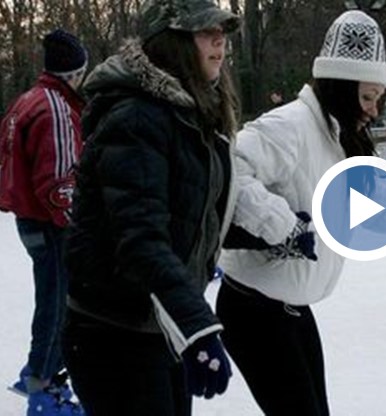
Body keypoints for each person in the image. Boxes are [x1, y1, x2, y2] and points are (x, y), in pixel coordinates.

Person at [217, 10, 386, 416]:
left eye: (378, 98)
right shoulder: (289, 126)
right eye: (367, 97)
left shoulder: (342, 140)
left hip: (291, 308)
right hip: (254, 309)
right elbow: (230, 171)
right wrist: (283, 226)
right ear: (339, 87)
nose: (375, 110)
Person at [60, 1, 246, 414]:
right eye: (205, 32)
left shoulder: (193, 115)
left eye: (222, 32)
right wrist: (197, 327)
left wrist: (273, 235)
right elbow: (141, 238)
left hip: (157, 326)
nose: (219, 40)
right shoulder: (137, 117)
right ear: (172, 43)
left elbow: (197, 213)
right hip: (112, 332)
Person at [0, 29, 87, 414]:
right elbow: (59, 183)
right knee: (57, 301)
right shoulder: (54, 107)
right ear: (75, 71)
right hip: (49, 224)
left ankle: (39, 370)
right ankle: (43, 388)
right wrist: (77, 225)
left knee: (51, 296)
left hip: (29, 219)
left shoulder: (26, 100)